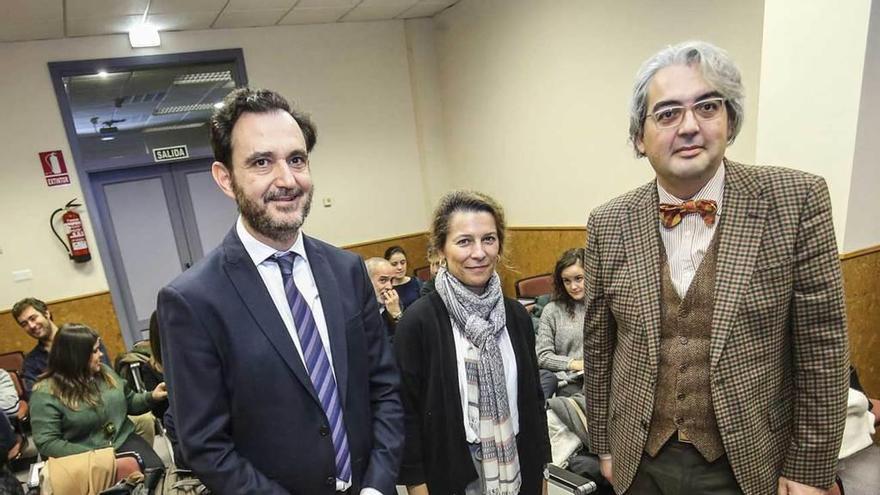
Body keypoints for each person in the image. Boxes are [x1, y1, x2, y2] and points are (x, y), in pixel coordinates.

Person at [583, 40, 849, 495]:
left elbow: (822, 351)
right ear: (638, 137)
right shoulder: (607, 222)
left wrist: (809, 468)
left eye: (707, 106)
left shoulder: (796, 200)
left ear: (730, 119)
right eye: (667, 113)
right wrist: (604, 447)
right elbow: (600, 346)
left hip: (750, 461)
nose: (689, 126)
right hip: (638, 462)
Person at [157, 87, 403, 495]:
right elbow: (205, 446)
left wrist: (378, 484)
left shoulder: (348, 270)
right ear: (225, 178)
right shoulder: (192, 301)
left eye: (296, 159)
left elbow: (385, 388)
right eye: (261, 162)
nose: (286, 180)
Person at [394, 190, 551, 495]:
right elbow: (406, 414)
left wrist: (541, 473)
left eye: (488, 239)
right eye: (464, 241)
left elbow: (533, 401)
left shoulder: (516, 316)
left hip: (518, 463)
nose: (478, 252)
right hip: (454, 471)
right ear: (441, 249)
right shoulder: (419, 323)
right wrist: (417, 486)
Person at [29, 324, 167, 493]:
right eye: (94, 351)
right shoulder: (45, 393)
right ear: (76, 356)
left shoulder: (104, 372)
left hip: (122, 440)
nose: (100, 354)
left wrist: (152, 396)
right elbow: (48, 443)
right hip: (82, 455)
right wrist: (97, 456)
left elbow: (130, 402)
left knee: (155, 475)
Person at [11, 297, 110, 396]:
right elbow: (35, 396)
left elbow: (107, 375)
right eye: (24, 324)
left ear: (46, 314)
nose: (31, 326)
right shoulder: (31, 363)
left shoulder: (84, 338)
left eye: (33, 318)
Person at [535, 248, 586, 399]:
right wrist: (574, 363)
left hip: (603, 380)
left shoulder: (606, 308)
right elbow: (542, 356)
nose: (573, 287)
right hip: (568, 382)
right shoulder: (552, 310)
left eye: (579, 278)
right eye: (567, 281)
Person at [365, 257, 403, 341]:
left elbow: (407, 338)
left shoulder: (395, 303)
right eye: (383, 280)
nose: (389, 286)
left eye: (391, 280)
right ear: (366, 281)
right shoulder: (358, 309)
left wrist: (397, 314)